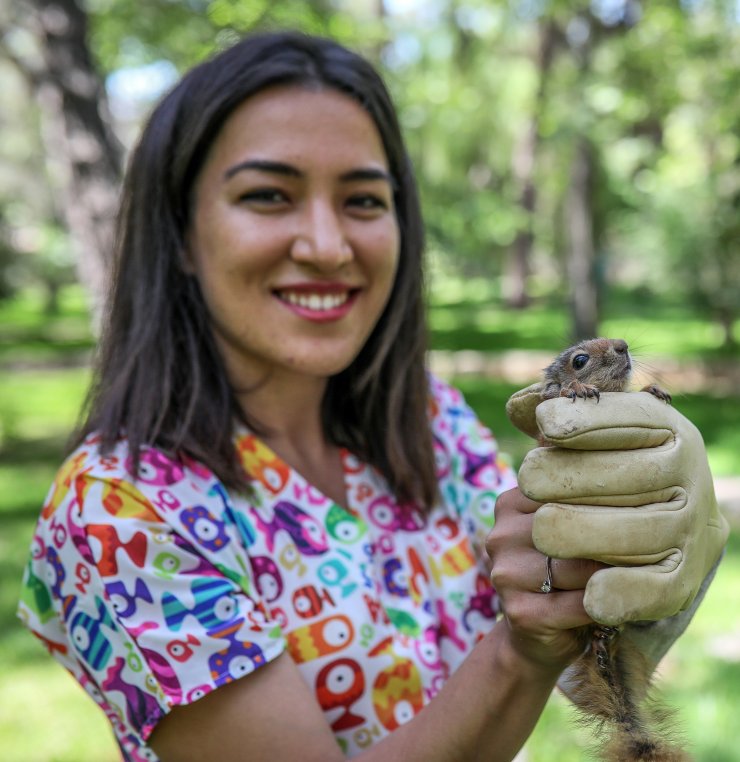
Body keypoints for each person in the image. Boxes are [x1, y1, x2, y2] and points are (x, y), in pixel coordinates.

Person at [17, 31, 728, 762]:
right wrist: (521, 646)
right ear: (181, 237)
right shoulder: (119, 510)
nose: (327, 245)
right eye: (268, 195)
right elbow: (527, 645)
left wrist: (640, 544)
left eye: (362, 198)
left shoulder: (429, 420)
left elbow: (586, 668)